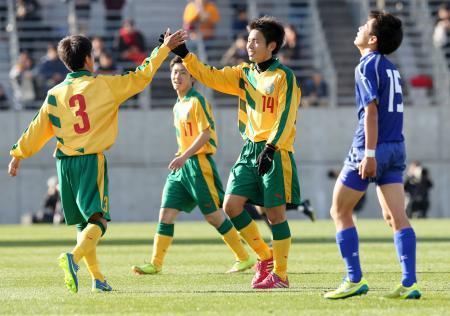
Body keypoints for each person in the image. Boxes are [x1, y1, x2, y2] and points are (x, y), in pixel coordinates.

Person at [8, 31, 187, 294]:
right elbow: (141, 76)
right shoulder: (103, 85)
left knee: (84, 224)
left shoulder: (55, 93)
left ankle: (98, 279)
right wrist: (163, 49)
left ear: (66, 62)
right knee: (99, 222)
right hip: (91, 161)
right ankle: (73, 258)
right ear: (90, 59)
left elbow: (38, 127)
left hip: (65, 165)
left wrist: (18, 154)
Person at [169, 15, 301, 289]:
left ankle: (281, 275)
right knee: (230, 205)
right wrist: (183, 54)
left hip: (274, 150)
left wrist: (272, 146)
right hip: (250, 149)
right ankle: (265, 257)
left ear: (272, 46)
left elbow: (286, 116)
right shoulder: (244, 74)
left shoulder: (284, 77)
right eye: (249, 40)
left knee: (275, 215)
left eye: (256, 41)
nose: (250, 45)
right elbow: (210, 75)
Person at [324, 11, 421, 300]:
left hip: (371, 147)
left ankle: (353, 279)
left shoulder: (366, 66)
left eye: (364, 27)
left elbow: (372, 112)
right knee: (396, 217)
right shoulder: (391, 67)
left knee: (339, 211)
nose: (359, 29)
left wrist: (368, 154)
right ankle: (409, 282)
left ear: (373, 39)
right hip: (395, 147)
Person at [131, 57, 255, 276]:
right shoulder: (178, 104)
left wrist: (185, 156)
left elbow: (205, 133)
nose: (177, 76)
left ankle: (244, 257)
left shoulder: (197, 101)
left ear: (192, 78)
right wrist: (182, 156)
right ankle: (156, 263)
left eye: (183, 73)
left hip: (198, 165)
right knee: (166, 214)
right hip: (182, 166)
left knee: (213, 216)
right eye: (175, 72)